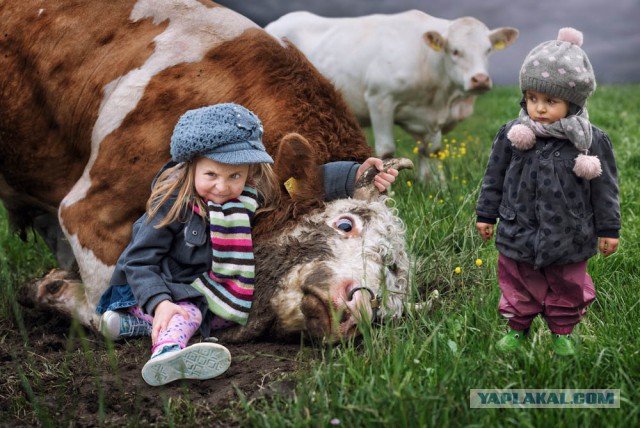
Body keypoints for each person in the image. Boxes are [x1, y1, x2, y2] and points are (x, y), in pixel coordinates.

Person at [96, 103, 398, 385]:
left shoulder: (247, 195)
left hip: (197, 287)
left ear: (250, 173)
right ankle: (167, 355)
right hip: (154, 288)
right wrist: (161, 303)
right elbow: (138, 262)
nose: (223, 187)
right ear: (190, 168)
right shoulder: (171, 206)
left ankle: (129, 326)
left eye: (235, 175)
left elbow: (306, 181)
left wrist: (353, 174)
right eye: (211, 174)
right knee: (189, 314)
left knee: (219, 318)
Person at [475, 28, 620, 356]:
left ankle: (563, 330)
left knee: (567, 280)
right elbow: (493, 177)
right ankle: (516, 327)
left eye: (550, 101)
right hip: (518, 226)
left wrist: (609, 228)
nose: (538, 108)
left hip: (569, 231)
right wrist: (486, 214)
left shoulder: (590, 142)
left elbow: (605, 188)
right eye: (532, 98)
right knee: (516, 277)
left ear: (573, 102)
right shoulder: (514, 134)